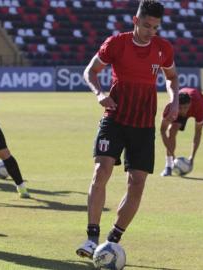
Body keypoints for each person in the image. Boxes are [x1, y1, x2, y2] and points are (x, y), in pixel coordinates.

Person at [76, 0, 179, 259]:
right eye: (146, 25)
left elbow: (172, 78)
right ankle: (91, 238)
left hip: (144, 126)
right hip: (115, 119)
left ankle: (112, 240)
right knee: (102, 171)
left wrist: (174, 99)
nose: (150, 31)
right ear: (135, 20)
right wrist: (99, 93)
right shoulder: (116, 43)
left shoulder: (163, 48)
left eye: (155, 27)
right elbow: (91, 71)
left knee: (137, 183)